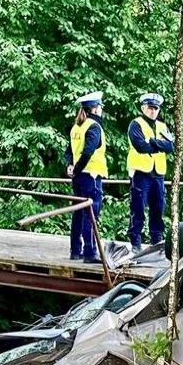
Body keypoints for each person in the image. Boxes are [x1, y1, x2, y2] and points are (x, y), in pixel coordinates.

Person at [126, 92, 175, 252]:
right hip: (141, 173)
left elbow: (170, 147)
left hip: (158, 174)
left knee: (158, 209)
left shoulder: (162, 126)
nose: (153, 111)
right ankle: (135, 243)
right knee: (138, 209)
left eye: (156, 108)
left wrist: (152, 142)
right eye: (150, 107)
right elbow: (141, 147)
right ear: (143, 108)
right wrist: (159, 144)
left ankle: (157, 242)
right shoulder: (136, 124)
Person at [65, 91, 109, 263]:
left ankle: (75, 250)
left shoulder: (77, 127)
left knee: (78, 213)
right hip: (91, 175)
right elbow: (88, 151)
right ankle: (90, 253)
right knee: (91, 214)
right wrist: (77, 168)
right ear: (95, 109)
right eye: (100, 107)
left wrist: (71, 166)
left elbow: (69, 151)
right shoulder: (94, 126)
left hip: (78, 177)